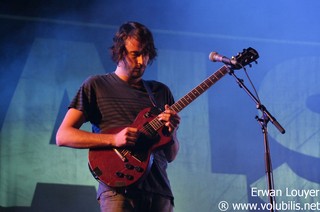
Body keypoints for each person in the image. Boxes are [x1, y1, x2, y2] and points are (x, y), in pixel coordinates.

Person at [56, 21, 180, 212]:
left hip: (159, 191)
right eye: (135, 54)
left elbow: (171, 156)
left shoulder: (160, 92)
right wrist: (113, 139)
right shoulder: (96, 85)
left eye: (146, 54)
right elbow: (63, 136)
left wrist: (173, 131)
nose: (142, 62)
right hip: (118, 191)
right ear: (120, 51)